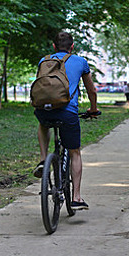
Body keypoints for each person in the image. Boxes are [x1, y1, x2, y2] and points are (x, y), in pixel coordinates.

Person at [33, 31, 99, 210]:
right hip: (67, 113)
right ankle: (76, 197)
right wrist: (93, 109)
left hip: (44, 110)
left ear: (54, 47)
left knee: (43, 124)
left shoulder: (43, 61)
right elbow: (92, 91)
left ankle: (43, 159)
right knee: (75, 152)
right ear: (72, 47)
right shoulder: (80, 62)